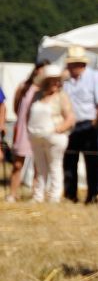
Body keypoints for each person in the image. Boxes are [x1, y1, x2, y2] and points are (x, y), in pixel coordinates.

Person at [61, 47, 98, 204]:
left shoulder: (95, 77)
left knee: (92, 163)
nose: (71, 68)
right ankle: (71, 195)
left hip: (89, 124)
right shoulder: (66, 80)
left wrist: (95, 123)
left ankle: (92, 195)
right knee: (69, 162)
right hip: (70, 126)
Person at [27, 66, 76, 203]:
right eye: (52, 81)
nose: (56, 83)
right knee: (39, 167)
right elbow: (29, 114)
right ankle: (38, 195)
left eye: (57, 81)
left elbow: (70, 118)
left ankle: (54, 196)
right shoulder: (37, 96)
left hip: (54, 138)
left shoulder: (61, 96)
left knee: (55, 166)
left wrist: (58, 130)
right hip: (37, 137)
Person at [6, 63, 45, 201]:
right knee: (17, 163)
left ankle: (36, 194)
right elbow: (16, 106)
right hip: (23, 128)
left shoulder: (46, 90)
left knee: (38, 164)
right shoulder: (24, 87)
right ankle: (12, 193)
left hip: (38, 129)